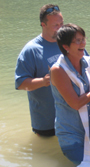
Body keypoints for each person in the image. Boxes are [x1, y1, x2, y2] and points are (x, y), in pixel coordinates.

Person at [50, 23, 90, 167]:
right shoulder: (58, 70)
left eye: (83, 39)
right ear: (66, 46)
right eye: (77, 40)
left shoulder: (88, 61)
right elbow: (75, 103)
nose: (83, 43)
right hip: (71, 136)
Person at [14, 4, 64, 136]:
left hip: (70, 117)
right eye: (55, 25)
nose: (60, 28)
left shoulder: (68, 43)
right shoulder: (31, 50)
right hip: (45, 121)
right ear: (43, 24)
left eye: (61, 23)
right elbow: (20, 84)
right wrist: (44, 81)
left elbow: (89, 65)